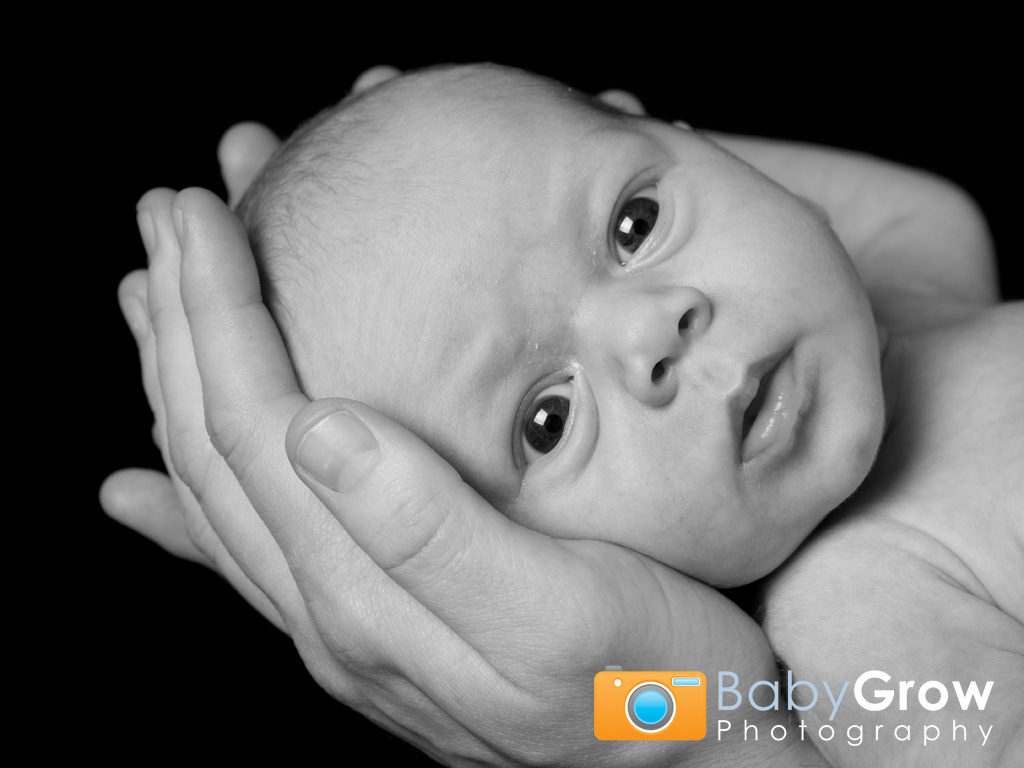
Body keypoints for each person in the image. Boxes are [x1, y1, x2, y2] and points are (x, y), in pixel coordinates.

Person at [103, 64, 1021, 766]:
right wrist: (694, 725)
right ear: (523, 555)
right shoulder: (858, 611)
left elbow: (921, 217)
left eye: (635, 223)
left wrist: (552, 135)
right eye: (547, 420)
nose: (651, 329)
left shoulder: (914, 304)